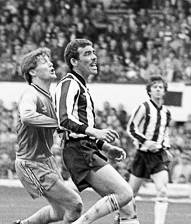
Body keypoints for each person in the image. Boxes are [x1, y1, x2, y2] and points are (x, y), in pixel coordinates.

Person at [54, 39, 138, 224]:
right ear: (74, 62)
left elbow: (83, 131)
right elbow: (64, 120)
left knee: (128, 207)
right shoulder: (69, 84)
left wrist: (106, 147)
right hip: (78, 150)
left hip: (84, 147)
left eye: (93, 52)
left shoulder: (81, 85)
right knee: (124, 193)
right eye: (87, 54)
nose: (94, 57)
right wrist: (95, 132)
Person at [11, 48, 83, 224]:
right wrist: (59, 124)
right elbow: (27, 116)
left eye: (49, 61)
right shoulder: (30, 94)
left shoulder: (49, 97)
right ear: (33, 72)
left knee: (59, 212)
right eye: (44, 62)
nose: (51, 64)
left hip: (46, 161)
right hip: (31, 163)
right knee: (75, 205)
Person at [127, 76, 173, 224]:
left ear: (164, 91)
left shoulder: (166, 112)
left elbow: (165, 132)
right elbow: (131, 128)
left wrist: (166, 147)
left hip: (157, 156)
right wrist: (146, 141)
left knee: (163, 190)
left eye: (161, 87)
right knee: (130, 193)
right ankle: (121, 217)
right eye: (155, 87)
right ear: (149, 91)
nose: (158, 90)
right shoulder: (143, 108)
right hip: (142, 154)